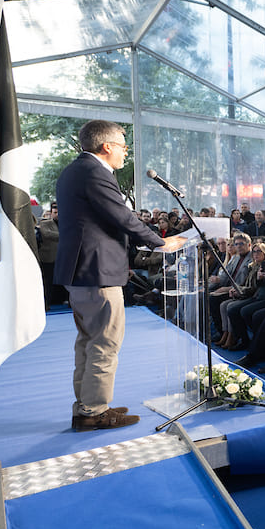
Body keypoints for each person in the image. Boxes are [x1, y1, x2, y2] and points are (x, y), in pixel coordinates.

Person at [55, 120, 178, 430]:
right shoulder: (95, 172)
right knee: (104, 343)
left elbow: (106, 220)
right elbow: (121, 216)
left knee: (88, 340)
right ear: (106, 146)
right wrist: (160, 241)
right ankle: (94, 412)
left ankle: (86, 406)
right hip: (97, 271)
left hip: (81, 270)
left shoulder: (74, 171)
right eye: (124, 146)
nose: (126, 152)